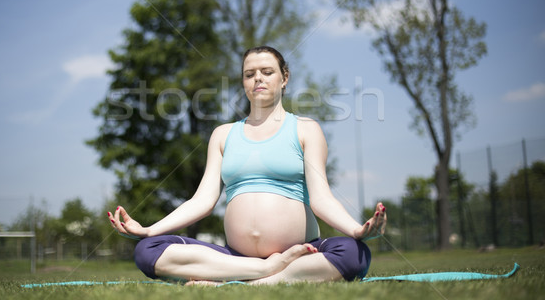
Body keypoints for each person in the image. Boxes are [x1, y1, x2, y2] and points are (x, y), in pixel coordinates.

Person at [108, 45, 387, 285]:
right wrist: (149, 230)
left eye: (267, 72)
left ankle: (252, 284)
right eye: (249, 74)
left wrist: (356, 230)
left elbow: (321, 198)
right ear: (243, 81)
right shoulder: (223, 134)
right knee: (147, 250)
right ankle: (264, 271)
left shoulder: (305, 129)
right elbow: (203, 200)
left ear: (284, 78)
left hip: (301, 253)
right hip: (235, 258)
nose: (258, 79)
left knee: (354, 253)